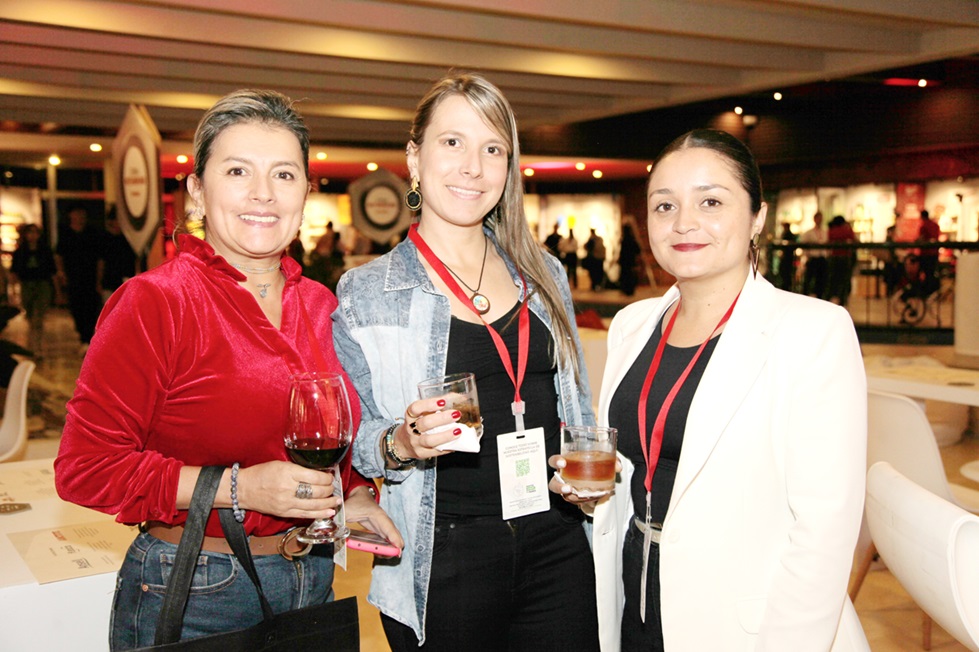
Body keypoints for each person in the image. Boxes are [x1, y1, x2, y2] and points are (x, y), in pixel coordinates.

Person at [55, 89, 402, 650]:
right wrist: (239, 487)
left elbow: (336, 434)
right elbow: (85, 468)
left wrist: (358, 493)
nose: (263, 194)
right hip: (194, 584)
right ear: (197, 189)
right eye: (238, 170)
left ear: (306, 193)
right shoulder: (157, 302)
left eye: (284, 175)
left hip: (310, 577)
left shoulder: (324, 305)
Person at [552, 129, 866, 651]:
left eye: (711, 202)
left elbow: (824, 533)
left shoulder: (811, 332)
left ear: (757, 217)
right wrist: (591, 495)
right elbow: (641, 471)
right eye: (665, 205)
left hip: (747, 624)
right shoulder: (633, 325)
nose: (684, 223)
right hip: (636, 598)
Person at [333, 72, 599, 651]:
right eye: (452, 142)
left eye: (492, 148)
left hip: (556, 541)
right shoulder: (367, 292)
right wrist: (400, 442)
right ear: (414, 157)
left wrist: (588, 469)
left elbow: (572, 401)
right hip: (443, 552)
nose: (473, 166)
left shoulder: (545, 274)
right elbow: (352, 439)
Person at [54, 204, 105, 352]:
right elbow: (59, 255)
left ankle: (89, 339)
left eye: (82, 213)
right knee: (77, 308)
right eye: (76, 213)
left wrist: (99, 280)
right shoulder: (65, 234)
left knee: (91, 308)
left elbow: (100, 259)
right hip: (73, 277)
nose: (80, 216)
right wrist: (61, 273)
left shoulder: (92, 233)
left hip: (89, 277)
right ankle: (83, 336)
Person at [10, 223, 57, 358]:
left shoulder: (45, 251)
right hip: (26, 285)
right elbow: (14, 272)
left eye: (35, 232)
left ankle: (38, 347)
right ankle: (34, 344)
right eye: (30, 232)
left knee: (38, 318)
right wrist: (13, 291)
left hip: (42, 285)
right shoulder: (20, 252)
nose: (32, 235)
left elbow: (52, 272)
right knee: (30, 317)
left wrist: (57, 291)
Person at [101, 214, 138, 302]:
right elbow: (101, 260)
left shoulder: (128, 238)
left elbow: (135, 259)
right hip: (109, 278)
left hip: (126, 277)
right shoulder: (106, 238)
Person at [826, 214, 857, 306]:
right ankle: (842, 299)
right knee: (844, 279)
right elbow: (853, 237)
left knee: (833, 279)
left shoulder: (831, 231)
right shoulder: (846, 230)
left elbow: (829, 241)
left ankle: (830, 297)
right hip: (844, 257)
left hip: (834, 257)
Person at [799, 211, 827, 299]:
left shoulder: (824, 232)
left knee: (820, 279)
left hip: (821, 258)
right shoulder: (809, 233)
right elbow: (803, 244)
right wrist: (807, 254)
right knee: (809, 278)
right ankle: (805, 294)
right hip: (813, 258)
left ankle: (820, 295)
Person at [917, 209, 941, 291]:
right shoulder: (935, 225)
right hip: (934, 253)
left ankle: (926, 291)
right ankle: (933, 291)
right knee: (932, 272)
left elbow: (921, 239)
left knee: (925, 272)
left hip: (926, 253)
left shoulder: (924, 226)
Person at [618, 223, 641, 296]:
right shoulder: (631, 239)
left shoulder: (624, 240)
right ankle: (629, 290)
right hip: (630, 261)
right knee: (629, 275)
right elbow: (638, 250)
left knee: (626, 275)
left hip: (625, 261)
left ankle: (626, 290)